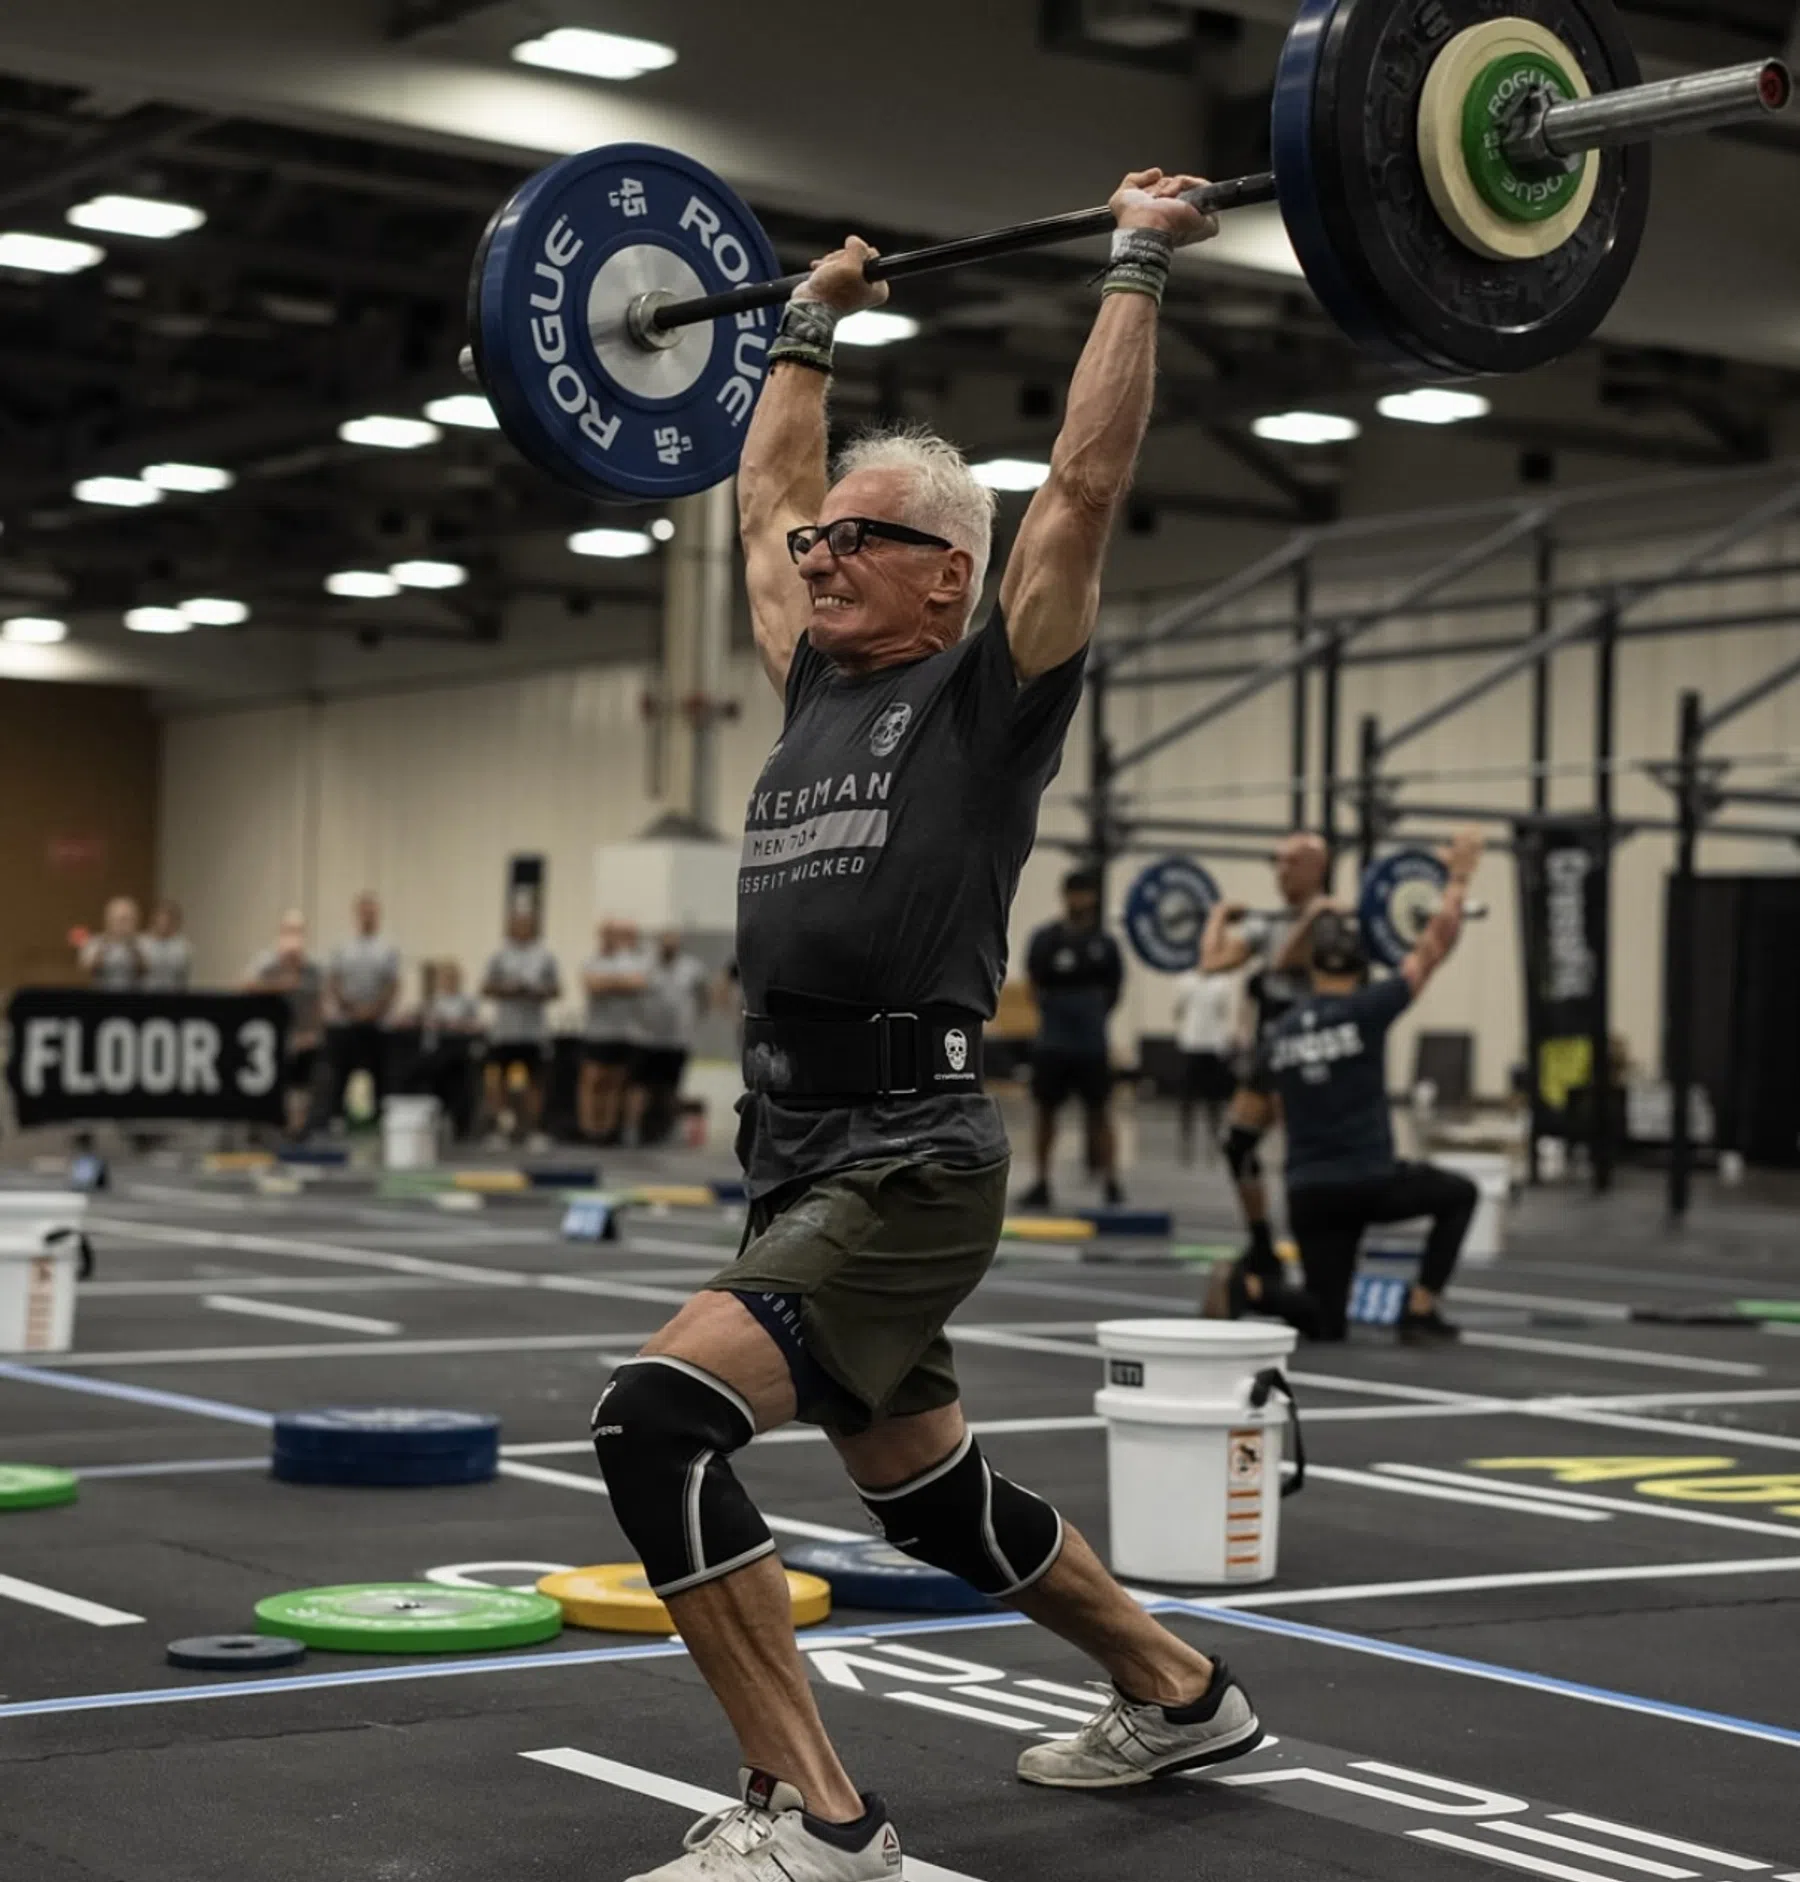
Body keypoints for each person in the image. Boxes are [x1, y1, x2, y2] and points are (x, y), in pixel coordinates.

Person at [589, 173, 1261, 1882]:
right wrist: (805, 323)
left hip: (906, 1154)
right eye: (824, 539)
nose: (819, 553)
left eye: (858, 538)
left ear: (946, 575)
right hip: (795, 1148)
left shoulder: (988, 694)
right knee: (927, 1500)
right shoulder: (816, 674)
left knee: (654, 1420)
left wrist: (1131, 264)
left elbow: (1087, 491)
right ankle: (1179, 1688)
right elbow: (760, 499)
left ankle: (822, 1820)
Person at [1241, 829, 1486, 1344]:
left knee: (1326, 1322)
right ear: (1359, 967)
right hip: (1368, 1182)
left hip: (1307, 1191)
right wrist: (1459, 875)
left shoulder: (1280, 1033)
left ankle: (1253, 1292)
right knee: (1459, 1195)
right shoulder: (1367, 1009)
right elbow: (1433, 945)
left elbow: (1249, 1125)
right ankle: (1420, 1309)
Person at [1199, 832, 1330, 1309]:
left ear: (1317, 867)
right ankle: (1262, 1243)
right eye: (1277, 863)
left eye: (1291, 863)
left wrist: (1315, 916)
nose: (1280, 872)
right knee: (1239, 1144)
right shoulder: (1269, 923)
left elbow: (1287, 959)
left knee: (1304, 1159)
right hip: (1270, 1052)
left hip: (1313, 1052)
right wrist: (1217, 917)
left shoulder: (1331, 920)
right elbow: (1211, 961)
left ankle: (1316, 1254)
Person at [1021, 869, 1125, 1209]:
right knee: (1045, 1112)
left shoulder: (1106, 945)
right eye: (1072, 893)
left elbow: (1115, 991)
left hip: (1091, 1044)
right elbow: (1033, 985)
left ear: (1093, 898)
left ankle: (1111, 1181)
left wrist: (1090, 1013)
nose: (1078, 900)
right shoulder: (1046, 939)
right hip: (1053, 1042)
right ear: (1064, 896)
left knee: (1100, 1113)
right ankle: (1041, 1182)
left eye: (1084, 893)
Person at [482, 908, 561, 1146]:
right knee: (500, 1082)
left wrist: (535, 991)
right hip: (505, 1031)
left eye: (527, 925)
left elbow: (557, 989)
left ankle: (532, 1130)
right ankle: (502, 1129)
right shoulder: (499, 956)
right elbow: (485, 987)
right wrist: (508, 989)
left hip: (534, 1032)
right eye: (517, 924)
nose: (522, 929)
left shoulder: (545, 957)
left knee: (534, 1083)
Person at [243, 911, 323, 1140]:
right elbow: (247, 986)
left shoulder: (312, 968)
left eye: (298, 932)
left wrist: (314, 1033)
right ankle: (267, 1130)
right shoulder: (265, 963)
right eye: (289, 931)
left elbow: (316, 1002)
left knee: (301, 1087)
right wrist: (281, 985)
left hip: (303, 1037)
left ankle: (296, 1131)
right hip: (269, 1039)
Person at [324, 892, 400, 1126]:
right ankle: (336, 1117)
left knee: (380, 1074)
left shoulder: (386, 950)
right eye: (364, 913)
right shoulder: (343, 949)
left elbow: (392, 984)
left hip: (376, 1023)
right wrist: (350, 1009)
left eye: (372, 913)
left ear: (377, 916)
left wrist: (373, 1011)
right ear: (357, 915)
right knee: (340, 1073)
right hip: (348, 1021)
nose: (367, 917)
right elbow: (334, 981)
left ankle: (379, 1118)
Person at [637, 929, 712, 1147]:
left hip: (678, 1039)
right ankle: (636, 1130)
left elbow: (703, 996)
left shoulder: (692, 968)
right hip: (647, 1038)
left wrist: (695, 1020)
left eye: (673, 943)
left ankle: (669, 1129)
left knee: (672, 1087)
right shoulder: (646, 965)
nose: (668, 947)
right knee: (644, 1087)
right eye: (665, 943)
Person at [579, 920, 651, 1144]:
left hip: (624, 1032)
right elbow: (593, 986)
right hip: (597, 1032)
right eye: (606, 935)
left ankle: (609, 1129)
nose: (610, 939)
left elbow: (637, 983)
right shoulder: (591, 961)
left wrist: (608, 984)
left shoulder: (630, 961)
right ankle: (591, 1128)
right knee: (593, 1080)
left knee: (616, 1082)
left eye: (614, 935)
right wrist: (619, 985)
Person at [1171, 959, 1239, 1164]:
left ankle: (1215, 1134)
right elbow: (1178, 1009)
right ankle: (1186, 1136)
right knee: (1187, 1096)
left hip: (1213, 1045)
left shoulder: (1222, 983)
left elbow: (1223, 1010)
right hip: (1191, 1043)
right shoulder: (1185, 981)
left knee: (1214, 1097)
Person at [411, 959, 483, 1142]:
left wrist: (456, 1025)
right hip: (438, 1052)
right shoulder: (433, 1001)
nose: (448, 981)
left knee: (460, 1091)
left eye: (452, 978)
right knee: (436, 1089)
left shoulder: (467, 1002)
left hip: (458, 1052)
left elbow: (475, 1025)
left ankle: (462, 1128)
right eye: (445, 978)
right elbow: (424, 1023)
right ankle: (435, 1123)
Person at [78, 897, 143, 988]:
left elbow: (148, 971)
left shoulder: (143, 943)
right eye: (120, 920)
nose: (123, 925)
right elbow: (85, 971)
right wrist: (104, 947)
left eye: (129, 920)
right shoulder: (94, 942)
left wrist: (133, 947)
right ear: (108, 919)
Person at [138, 899, 192, 992]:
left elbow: (182, 976)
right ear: (153, 918)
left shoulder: (183, 946)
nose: (164, 922)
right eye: (161, 917)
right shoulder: (141, 943)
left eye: (169, 918)